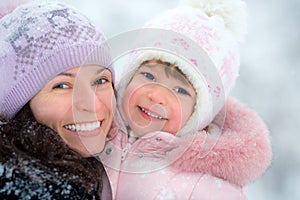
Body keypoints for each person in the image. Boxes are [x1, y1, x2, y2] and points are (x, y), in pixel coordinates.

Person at [100, 0, 272, 199]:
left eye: (180, 91)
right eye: (148, 76)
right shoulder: (92, 135)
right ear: (128, 78)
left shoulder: (206, 187)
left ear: (200, 113)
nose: (156, 96)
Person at [0, 1, 116, 199]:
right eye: (62, 86)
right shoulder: (33, 189)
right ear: (20, 105)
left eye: (100, 80)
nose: (91, 104)